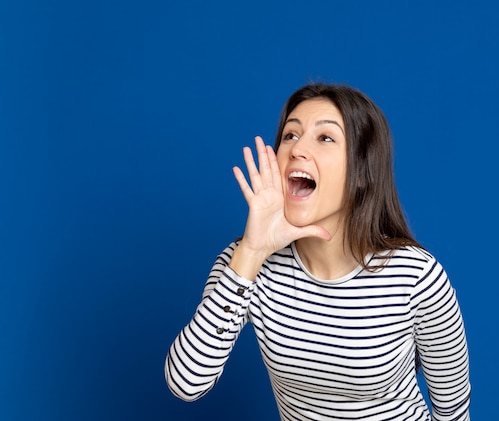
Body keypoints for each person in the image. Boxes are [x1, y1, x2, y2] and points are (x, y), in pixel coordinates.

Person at [165, 83, 471, 420]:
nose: (297, 149)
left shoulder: (416, 276)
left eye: (325, 138)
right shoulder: (245, 263)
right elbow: (186, 383)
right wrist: (251, 251)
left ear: (361, 173)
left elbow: (453, 409)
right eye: (290, 136)